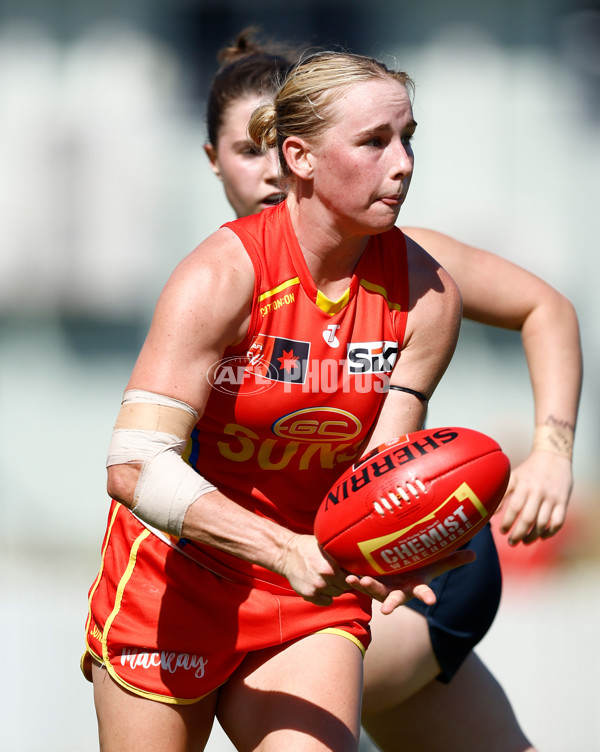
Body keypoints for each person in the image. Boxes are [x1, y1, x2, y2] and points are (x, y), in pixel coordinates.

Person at [82, 50, 478, 751]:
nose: (404, 163)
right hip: (175, 584)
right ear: (299, 156)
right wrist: (280, 546)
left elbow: (379, 472)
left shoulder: (427, 293)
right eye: (374, 141)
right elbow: (134, 464)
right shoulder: (221, 275)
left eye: (408, 136)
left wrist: (400, 547)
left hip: (309, 597)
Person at [200, 31, 582, 752]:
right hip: (307, 576)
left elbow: (548, 309)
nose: (269, 170)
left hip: (416, 567)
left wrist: (552, 453)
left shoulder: (410, 261)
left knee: (251, 680)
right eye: (248, 149)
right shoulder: (215, 284)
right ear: (213, 161)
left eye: (277, 140)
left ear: (308, 147)